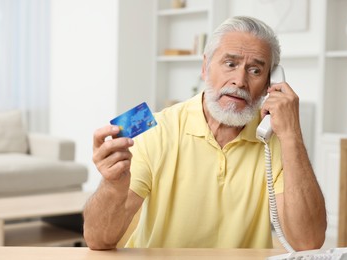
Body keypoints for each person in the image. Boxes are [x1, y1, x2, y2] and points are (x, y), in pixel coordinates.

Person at [83, 16, 327, 250]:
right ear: (205, 67)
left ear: (269, 84)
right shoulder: (156, 127)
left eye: (255, 71)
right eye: (230, 64)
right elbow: (98, 240)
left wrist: (292, 134)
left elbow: (308, 242)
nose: (239, 81)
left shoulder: (274, 139)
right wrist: (112, 186)